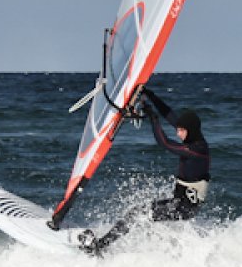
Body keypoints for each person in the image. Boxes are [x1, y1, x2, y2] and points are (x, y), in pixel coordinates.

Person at [79, 86, 209, 255]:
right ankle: (138, 250)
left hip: (184, 208)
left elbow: (165, 143)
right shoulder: (194, 137)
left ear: (190, 130)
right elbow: (170, 115)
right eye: (178, 129)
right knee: (141, 215)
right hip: (181, 203)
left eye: (181, 131)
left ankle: (99, 247)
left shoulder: (197, 149)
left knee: (136, 213)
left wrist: (152, 116)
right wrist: (152, 96)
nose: (178, 133)